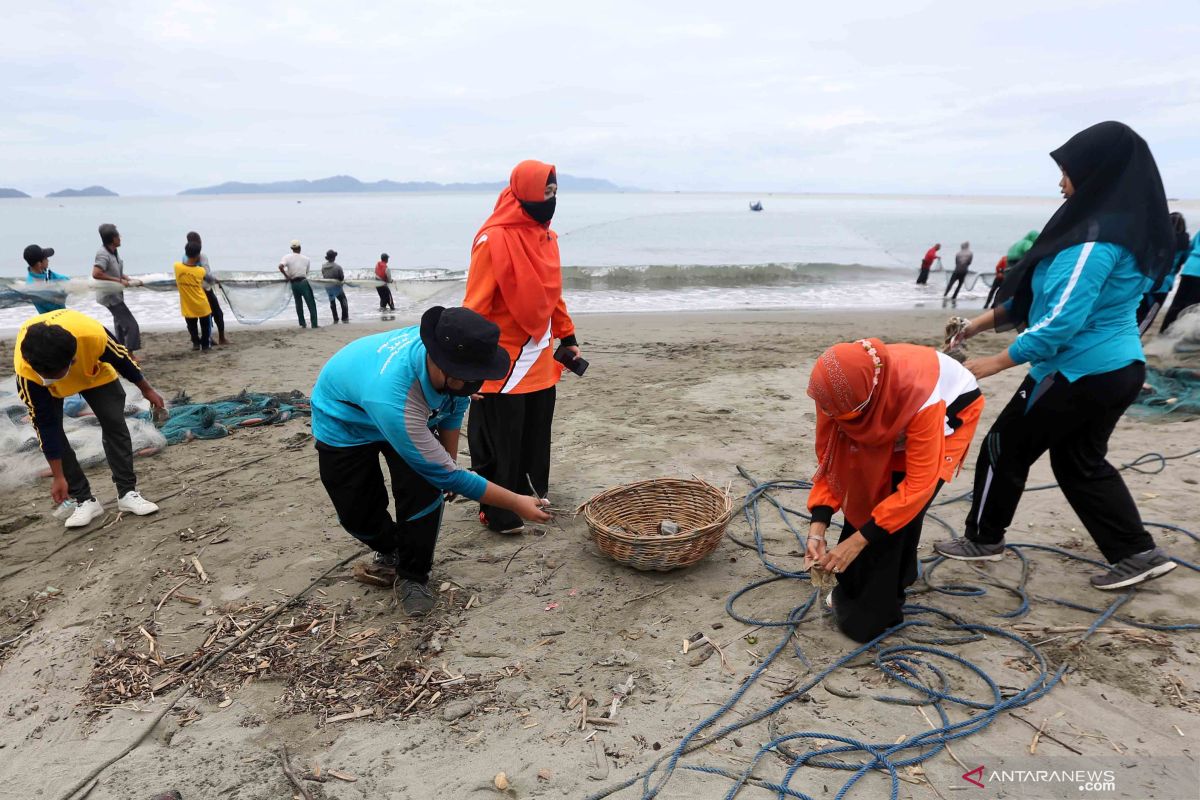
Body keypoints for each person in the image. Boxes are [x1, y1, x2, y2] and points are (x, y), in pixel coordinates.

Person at [935, 121, 1179, 590]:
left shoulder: (1093, 243)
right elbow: (1035, 301)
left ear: (1094, 173)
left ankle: (983, 540)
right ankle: (1136, 553)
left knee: (1003, 447)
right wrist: (974, 326)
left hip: (1078, 370)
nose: (1060, 182)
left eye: (1066, 171)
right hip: (1115, 368)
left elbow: (1061, 322)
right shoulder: (1113, 229)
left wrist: (993, 364)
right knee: (1078, 461)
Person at [311, 306, 552, 616]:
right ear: (437, 362)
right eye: (466, 379)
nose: (472, 385)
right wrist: (516, 502)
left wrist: (447, 463)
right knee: (357, 513)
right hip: (345, 420)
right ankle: (390, 548)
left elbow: (452, 410)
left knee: (424, 491)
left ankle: (414, 575)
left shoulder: (456, 361)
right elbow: (448, 474)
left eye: (477, 378)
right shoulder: (395, 397)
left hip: (401, 408)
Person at [804, 339, 983, 642]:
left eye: (848, 417)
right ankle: (894, 574)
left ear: (868, 400)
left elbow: (918, 487)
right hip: (888, 414)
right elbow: (831, 461)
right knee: (866, 497)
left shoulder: (921, 398)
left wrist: (860, 540)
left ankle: (890, 592)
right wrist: (818, 527)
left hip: (948, 413)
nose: (834, 418)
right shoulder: (834, 395)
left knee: (899, 516)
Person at [463, 159, 580, 535]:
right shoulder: (492, 240)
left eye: (555, 193)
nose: (551, 199)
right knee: (502, 437)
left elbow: (552, 295)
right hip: (501, 361)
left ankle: (533, 493)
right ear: (525, 192)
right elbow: (476, 306)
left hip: (540, 355)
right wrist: (471, 370)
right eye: (545, 192)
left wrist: (568, 336)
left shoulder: (547, 237)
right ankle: (496, 510)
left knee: (535, 430)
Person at [14, 309, 165, 528]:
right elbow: (45, 428)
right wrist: (58, 477)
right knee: (55, 433)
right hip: (46, 385)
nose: (46, 378)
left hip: (94, 373)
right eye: (43, 375)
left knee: (114, 421)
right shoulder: (29, 371)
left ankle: (127, 493)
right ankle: (84, 500)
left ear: (72, 360)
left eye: (51, 375)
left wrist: (146, 389)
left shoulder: (92, 336)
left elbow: (122, 359)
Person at [1137, 213, 1189, 334]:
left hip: (1144, 282)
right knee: (1148, 315)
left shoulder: (1155, 238)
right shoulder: (1183, 243)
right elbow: (1184, 260)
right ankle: (1136, 338)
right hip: (1162, 286)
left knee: (1134, 312)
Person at [93, 224, 141, 351]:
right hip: (109, 296)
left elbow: (114, 270)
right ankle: (129, 354)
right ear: (112, 239)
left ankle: (121, 351)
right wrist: (118, 280)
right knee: (131, 325)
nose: (120, 238)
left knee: (120, 324)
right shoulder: (103, 254)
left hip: (116, 294)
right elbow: (96, 273)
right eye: (118, 236)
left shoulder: (113, 251)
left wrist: (126, 278)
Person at [187, 232, 229, 346]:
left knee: (195, 317)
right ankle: (221, 338)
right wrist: (215, 280)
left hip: (191, 291)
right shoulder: (202, 256)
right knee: (216, 313)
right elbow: (205, 274)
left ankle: (197, 342)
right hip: (205, 290)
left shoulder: (185, 258)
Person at [1158, 217, 1199, 334]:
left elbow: (1191, 248)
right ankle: (1181, 335)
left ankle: (1164, 331)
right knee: (1192, 306)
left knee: (1177, 302)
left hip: (1189, 269)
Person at [174, 242, 212, 351]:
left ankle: (195, 343)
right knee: (205, 327)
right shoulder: (200, 271)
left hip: (187, 304)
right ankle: (205, 345)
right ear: (198, 256)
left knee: (191, 326)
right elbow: (209, 281)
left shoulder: (176, 267)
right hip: (201, 304)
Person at [278, 240, 318, 328]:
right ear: (300, 248)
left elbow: (280, 266)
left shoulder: (287, 257)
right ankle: (314, 324)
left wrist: (287, 276)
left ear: (292, 248)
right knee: (310, 303)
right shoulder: (306, 259)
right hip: (303, 282)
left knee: (298, 303)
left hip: (293, 283)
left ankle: (302, 323)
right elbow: (306, 272)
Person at [23, 244, 69, 314]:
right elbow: (56, 304)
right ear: (39, 264)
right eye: (45, 258)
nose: (48, 260)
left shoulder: (46, 272)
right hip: (51, 319)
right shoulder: (33, 286)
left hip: (62, 314)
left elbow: (63, 279)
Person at [322, 249, 349, 323]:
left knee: (332, 302)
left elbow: (324, 276)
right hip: (337, 288)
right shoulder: (337, 267)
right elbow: (341, 278)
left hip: (328, 288)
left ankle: (335, 318)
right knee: (343, 301)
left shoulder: (323, 267)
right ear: (334, 258)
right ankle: (344, 318)